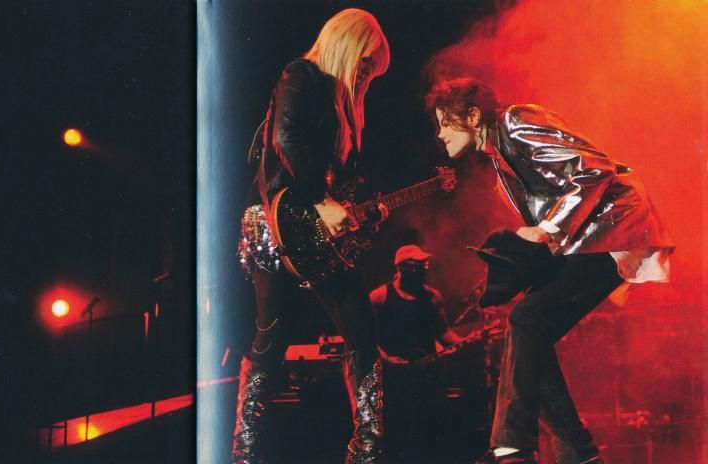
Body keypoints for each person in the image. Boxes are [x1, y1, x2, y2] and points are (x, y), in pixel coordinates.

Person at [424, 78, 673, 464]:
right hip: (591, 234)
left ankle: (514, 444)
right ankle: (576, 453)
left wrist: (547, 229)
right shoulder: (500, 155)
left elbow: (593, 169)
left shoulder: (516, 121)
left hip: (613, 228)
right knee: (527, 333)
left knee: (527, 321)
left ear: (472, 116)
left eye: (445, 123)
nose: (440, 135)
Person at [233, 8, 390, 464]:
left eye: (372, 70)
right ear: (347, 44)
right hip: (275, 220)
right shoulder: (301, 76)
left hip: (317, 227)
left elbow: (342, 175)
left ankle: (367, 449)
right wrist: (321, 199)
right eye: (365, 62)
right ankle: (244, 451)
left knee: (360, 328)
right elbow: (285, 140)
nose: (365, 74)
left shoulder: (345, 106)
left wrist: (359, 211)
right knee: (272, 335)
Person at [370, 244, 466, 462]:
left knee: (428, 433)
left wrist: (463, 342)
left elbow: (444, 332)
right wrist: (386, 360)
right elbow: (366, 338)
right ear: (401, 268)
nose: (424, 269)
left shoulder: (432, 297)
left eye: (425, 265)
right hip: (394, 380)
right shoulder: (380, 297)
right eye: (418, 265)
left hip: (427, 377)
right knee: (397, 434)